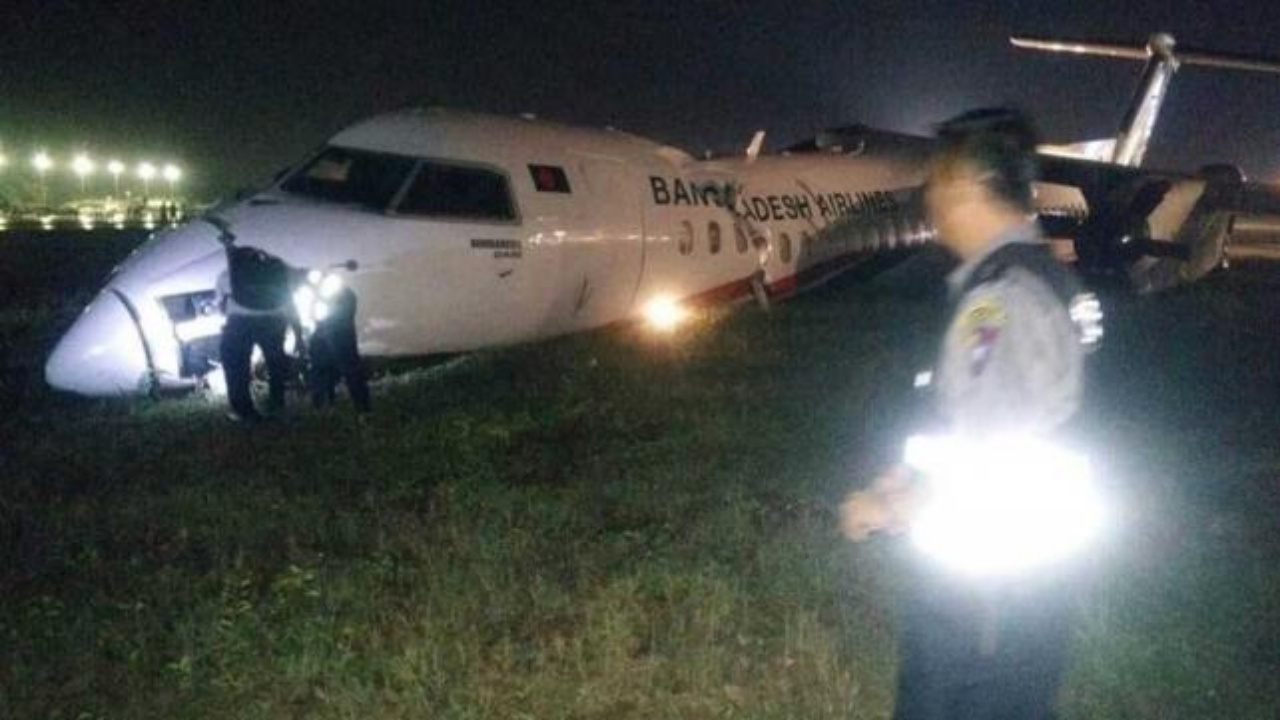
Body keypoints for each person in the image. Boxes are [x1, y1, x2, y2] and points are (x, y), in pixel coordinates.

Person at [840, 108, 1102, 720]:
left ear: (965, 186)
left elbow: (990, 452)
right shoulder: (1047, 280)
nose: (929, 199)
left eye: (935, 182)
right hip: (1026, 572)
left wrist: (887, 508)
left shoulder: (999, 301)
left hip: (985, 584)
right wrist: (906, 477)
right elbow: (996, 418)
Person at [216, 244, 296, 422]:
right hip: (274, 320)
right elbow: (287, 299)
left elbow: (221, 307)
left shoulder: (227, 275)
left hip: (240, 322)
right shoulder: (273, 272)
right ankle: (277, 402)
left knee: (235, 364)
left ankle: (244, 410)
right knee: (275, 362)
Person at [305, 279, 371, 413]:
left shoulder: (344, 294)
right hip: (324, 327)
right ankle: (322, 404)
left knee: (349, 366)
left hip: (338, 330)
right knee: (320, 365)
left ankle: (362, 407)